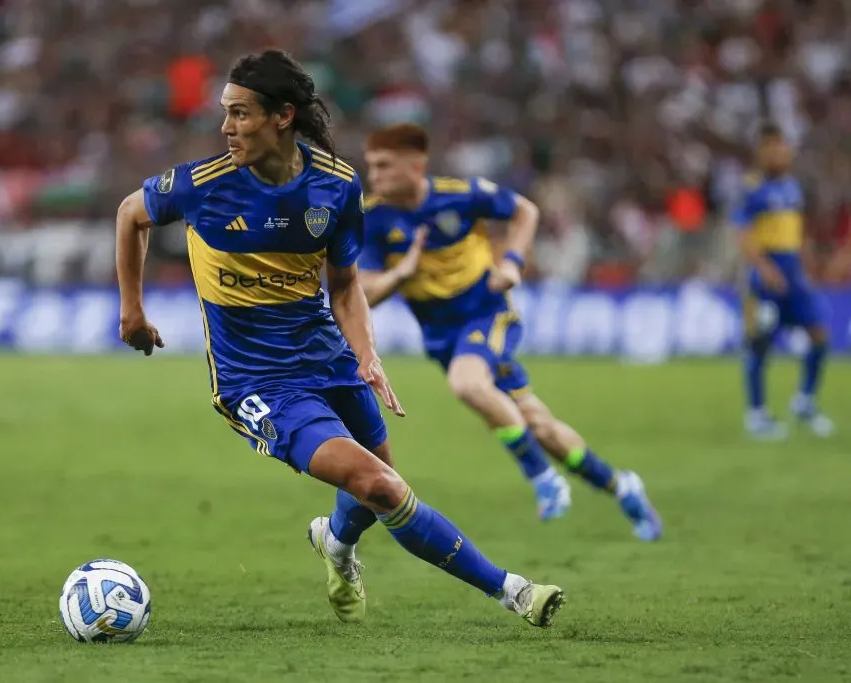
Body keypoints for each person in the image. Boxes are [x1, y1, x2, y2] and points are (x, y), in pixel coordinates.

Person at [114, 50, 565, 627]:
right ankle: (515, 591)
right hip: (258, 381)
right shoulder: (206, 185)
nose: (226, 128)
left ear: (283, 117)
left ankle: (335, 544)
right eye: (225, 113)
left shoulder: (337, 186)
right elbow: (131, 213)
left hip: (326, 355)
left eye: (240, 114)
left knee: (375, 490)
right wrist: (132, 310)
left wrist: (367, 355)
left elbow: (346, 287)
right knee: (380, 484)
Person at [356, 123, 662, 542]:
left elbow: (525, 211)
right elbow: (364, 294)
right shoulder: (372, 219)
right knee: (540, 425)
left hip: (486, 313)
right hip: (442, 337)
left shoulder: (460, 195)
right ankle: (621, 485)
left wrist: (513, 262)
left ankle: (542, 478)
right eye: (371, 167)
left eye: (385, 166)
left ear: (416, 165)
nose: (374, 176)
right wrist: (400, 274)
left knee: (468, 384)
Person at [732, 121, 833, 440]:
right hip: (767, 278)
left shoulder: (792, 187)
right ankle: (757, 415)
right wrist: (764, 268)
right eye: (771, 148)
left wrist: (806, 263)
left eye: (781, 146)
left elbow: (796, 233)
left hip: (793, 274)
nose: (778, 153)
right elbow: (743, 234)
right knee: (759, 344)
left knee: (819, 336)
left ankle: (804, 402)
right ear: (761, 152)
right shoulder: (752, 188)